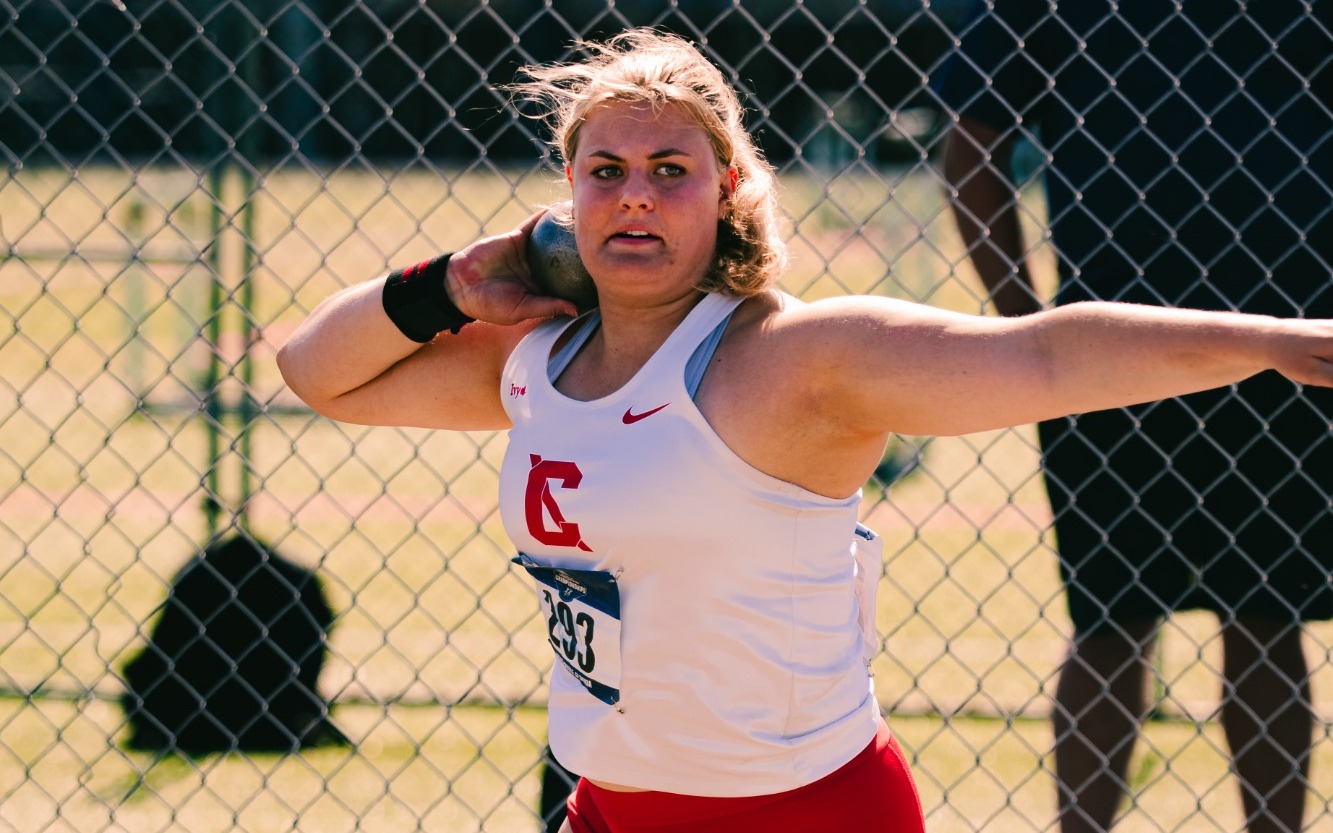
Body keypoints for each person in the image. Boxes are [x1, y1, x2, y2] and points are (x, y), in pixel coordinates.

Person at [277, 28, 1333, 833]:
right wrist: (450, 281)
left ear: (726, 188)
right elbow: (317, 373)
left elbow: (1046, 356)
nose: (635, 197)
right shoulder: (536, 359)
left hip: (802, 809)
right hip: (605, 804)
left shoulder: (796, 360)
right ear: (566, 197)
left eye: (670, 170)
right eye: (606, 172)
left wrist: (1277, 340)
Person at [937, 3, 1333, 831]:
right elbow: (971, 144)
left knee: (1268, 618)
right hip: (1107, 365)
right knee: (1109, 621)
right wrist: (1031, 334)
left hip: (1291, 359)